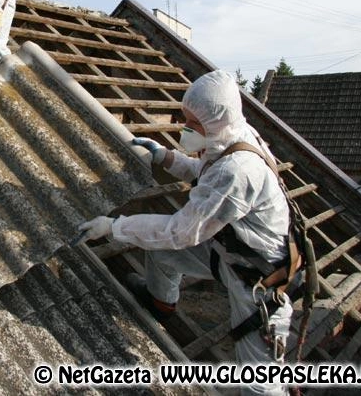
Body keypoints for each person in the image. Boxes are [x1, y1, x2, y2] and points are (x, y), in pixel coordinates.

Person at [77, 69, 294, 396]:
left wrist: (115, 227)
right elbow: (205, 173)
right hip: (227, 249)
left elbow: (180, 231)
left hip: (257, 278)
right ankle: (161, 302)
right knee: (161, 254)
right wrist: (166, 157)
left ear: (215, 121)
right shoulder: (232, 136)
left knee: (260, 384)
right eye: (186, 119)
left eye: (193, 124)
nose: (187, 129)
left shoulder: (238, 171)